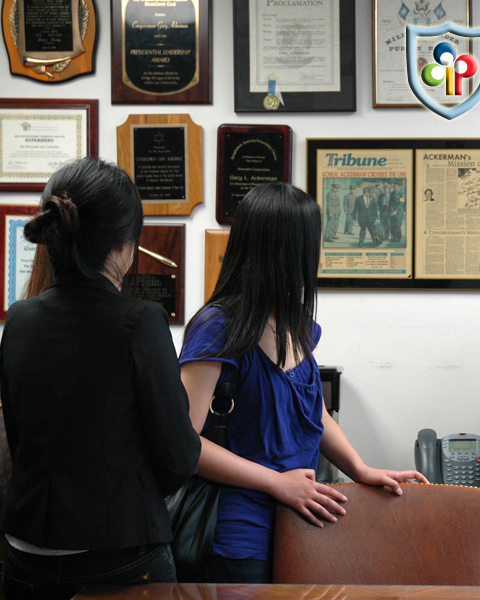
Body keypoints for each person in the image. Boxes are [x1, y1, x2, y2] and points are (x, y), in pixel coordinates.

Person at [179, 182, 426, 583]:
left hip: (300, 525)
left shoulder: (295, 323)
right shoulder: (217, 327)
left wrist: (360, 469)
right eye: (311, 246)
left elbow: (313, 411)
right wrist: (277, 484)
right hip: (237, 536)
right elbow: (185, 442)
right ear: (286, 252)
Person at [0, 157, 201, 600]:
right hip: (119, 557)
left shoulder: (19, 320)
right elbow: (180, 456)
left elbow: (20, 440)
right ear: (125, 246)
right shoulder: (140, 320)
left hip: (24, 554)